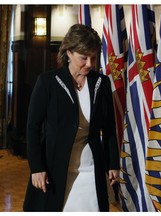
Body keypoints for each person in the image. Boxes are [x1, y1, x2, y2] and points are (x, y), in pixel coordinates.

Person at [23, 24, 120, 212]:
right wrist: (36, 167)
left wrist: (113, 163)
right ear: (68, 52)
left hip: (90, 169)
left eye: (93, 57)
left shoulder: (101, 83)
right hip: (54, 169)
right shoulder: (47, 82)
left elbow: (109, 128)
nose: (90, 64)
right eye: (83, 58)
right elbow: (32, 127)